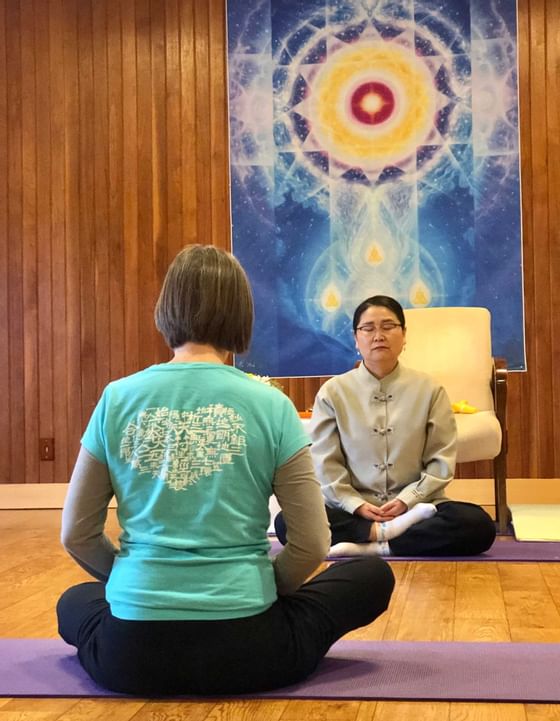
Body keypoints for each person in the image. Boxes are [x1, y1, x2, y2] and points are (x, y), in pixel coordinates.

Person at [56, 246, 395, 696]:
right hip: (253, 650)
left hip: (131, 656)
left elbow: (76, 534)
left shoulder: (117, 398)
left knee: (74, 601)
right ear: (241, 314)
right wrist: (263, 588)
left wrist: (131, 583)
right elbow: (313, 542)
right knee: (371, 576)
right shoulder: (271, 404)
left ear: (167, 308)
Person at [275, 295, 496, 557]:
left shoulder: (430, 390)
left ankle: (375, 546)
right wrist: (355, 504)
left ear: (404, 336)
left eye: (388, 326)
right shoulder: (333, 392)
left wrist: (407, 500)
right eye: (368, 328)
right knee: (286, 522)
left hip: (416, 509)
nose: (378, 335)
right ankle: (382, 536)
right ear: (356, 340)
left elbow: (441, 461)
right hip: (352, 510)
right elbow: (326, 463)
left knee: (478, 525)